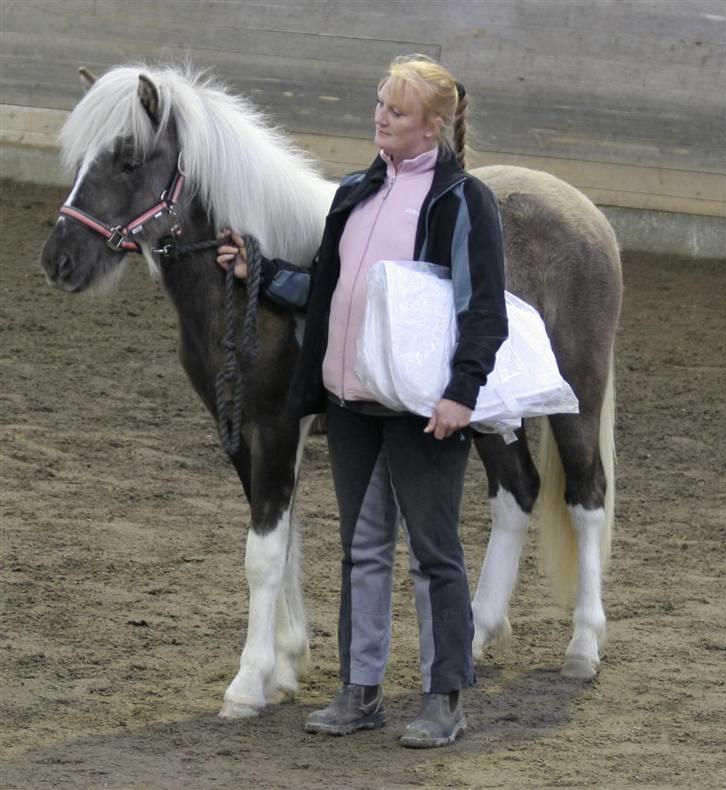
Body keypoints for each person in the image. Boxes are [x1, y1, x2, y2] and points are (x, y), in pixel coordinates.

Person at [217, 54, 507, 748]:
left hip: (420, 408)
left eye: (397, 111)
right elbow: (326, 291)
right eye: (380, 104)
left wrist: (462, 393)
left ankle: (444, 699)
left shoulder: (463, 202)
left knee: (434, 554)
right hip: (350, 403)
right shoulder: (355, 192)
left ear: (432, 127)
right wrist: (261, 272)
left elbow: (483, 310)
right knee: (363, 549)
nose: (381, 118)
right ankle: (360, 691)